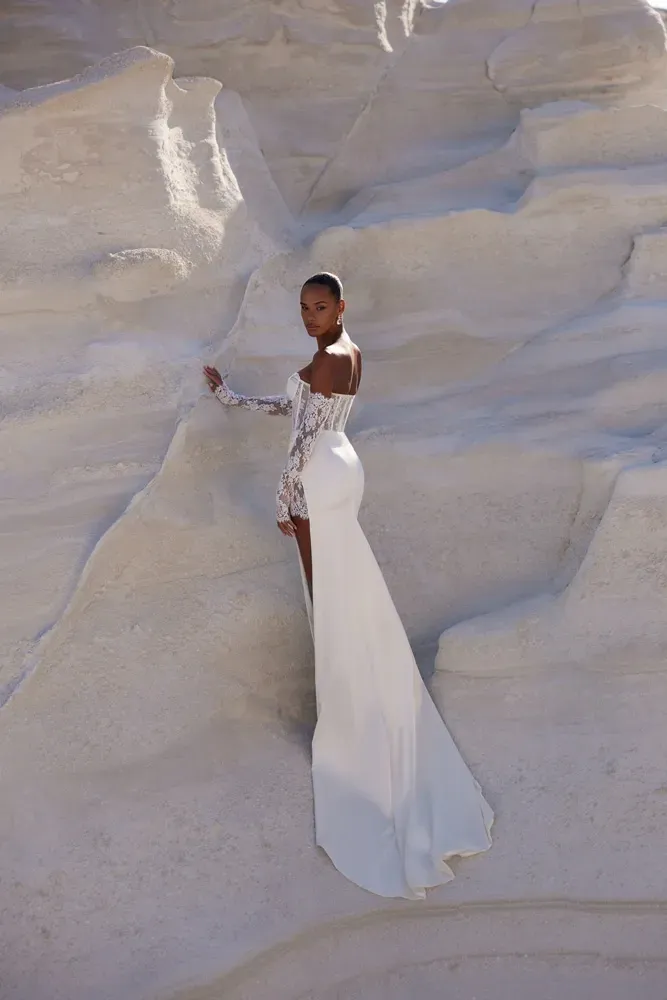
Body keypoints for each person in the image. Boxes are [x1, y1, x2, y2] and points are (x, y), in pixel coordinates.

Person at [204, 272, 493, 899]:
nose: (310, 315)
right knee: (339, 588)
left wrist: (284, 496)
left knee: (329, 595)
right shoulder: (345, 352)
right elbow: (298, 411)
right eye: (304, 307)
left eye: (320, 306)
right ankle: (359, 694)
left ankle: (352, 717)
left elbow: (304, 437)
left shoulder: (330, 357)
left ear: (341, 306)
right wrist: (233, 398)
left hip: (319, 473)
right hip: (339, 464)